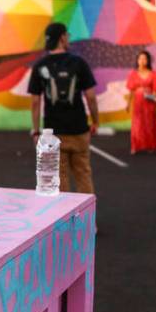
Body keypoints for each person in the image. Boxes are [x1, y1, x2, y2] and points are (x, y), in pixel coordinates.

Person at [28, 22, 99, 193]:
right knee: (83, 174)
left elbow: (35, 102)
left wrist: (36, 131)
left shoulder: (40, 66)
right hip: (79, 129)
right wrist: (95, 121)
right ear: (61, 38)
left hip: (53, 132)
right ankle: (87, 219)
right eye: (67, 35)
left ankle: (64, 219)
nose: (68, 38)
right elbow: (90, 97)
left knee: (60, 178)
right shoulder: (79, 63)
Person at [125, 50, 156, 154]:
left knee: (149, 123)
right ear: (137, 60)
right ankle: (135, 146)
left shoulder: (153, 74)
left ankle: (150, 145)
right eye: (140, 58)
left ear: (148, 60)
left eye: (145, 58)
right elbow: (131, 90)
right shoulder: (133, 74)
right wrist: (128, 104)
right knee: (137, 124)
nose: (142, 61)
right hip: (138, 102)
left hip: (149, 101)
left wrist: (155, 98)